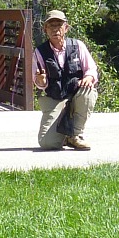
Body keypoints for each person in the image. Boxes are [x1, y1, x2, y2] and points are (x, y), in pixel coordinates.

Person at [33, 10, 98, 150]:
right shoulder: (39, 52)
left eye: (59, 25)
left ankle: (75, 135)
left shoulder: (78, 46)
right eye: (51, 26)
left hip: (76, 96)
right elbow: (40, 85)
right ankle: (64, 136)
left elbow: (91, 69)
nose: (55, 29)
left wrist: (88, 77)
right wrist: (41, 80)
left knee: (89, 91)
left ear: (66, 28)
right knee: (47, 144)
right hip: (54, 99)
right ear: (45, 29)